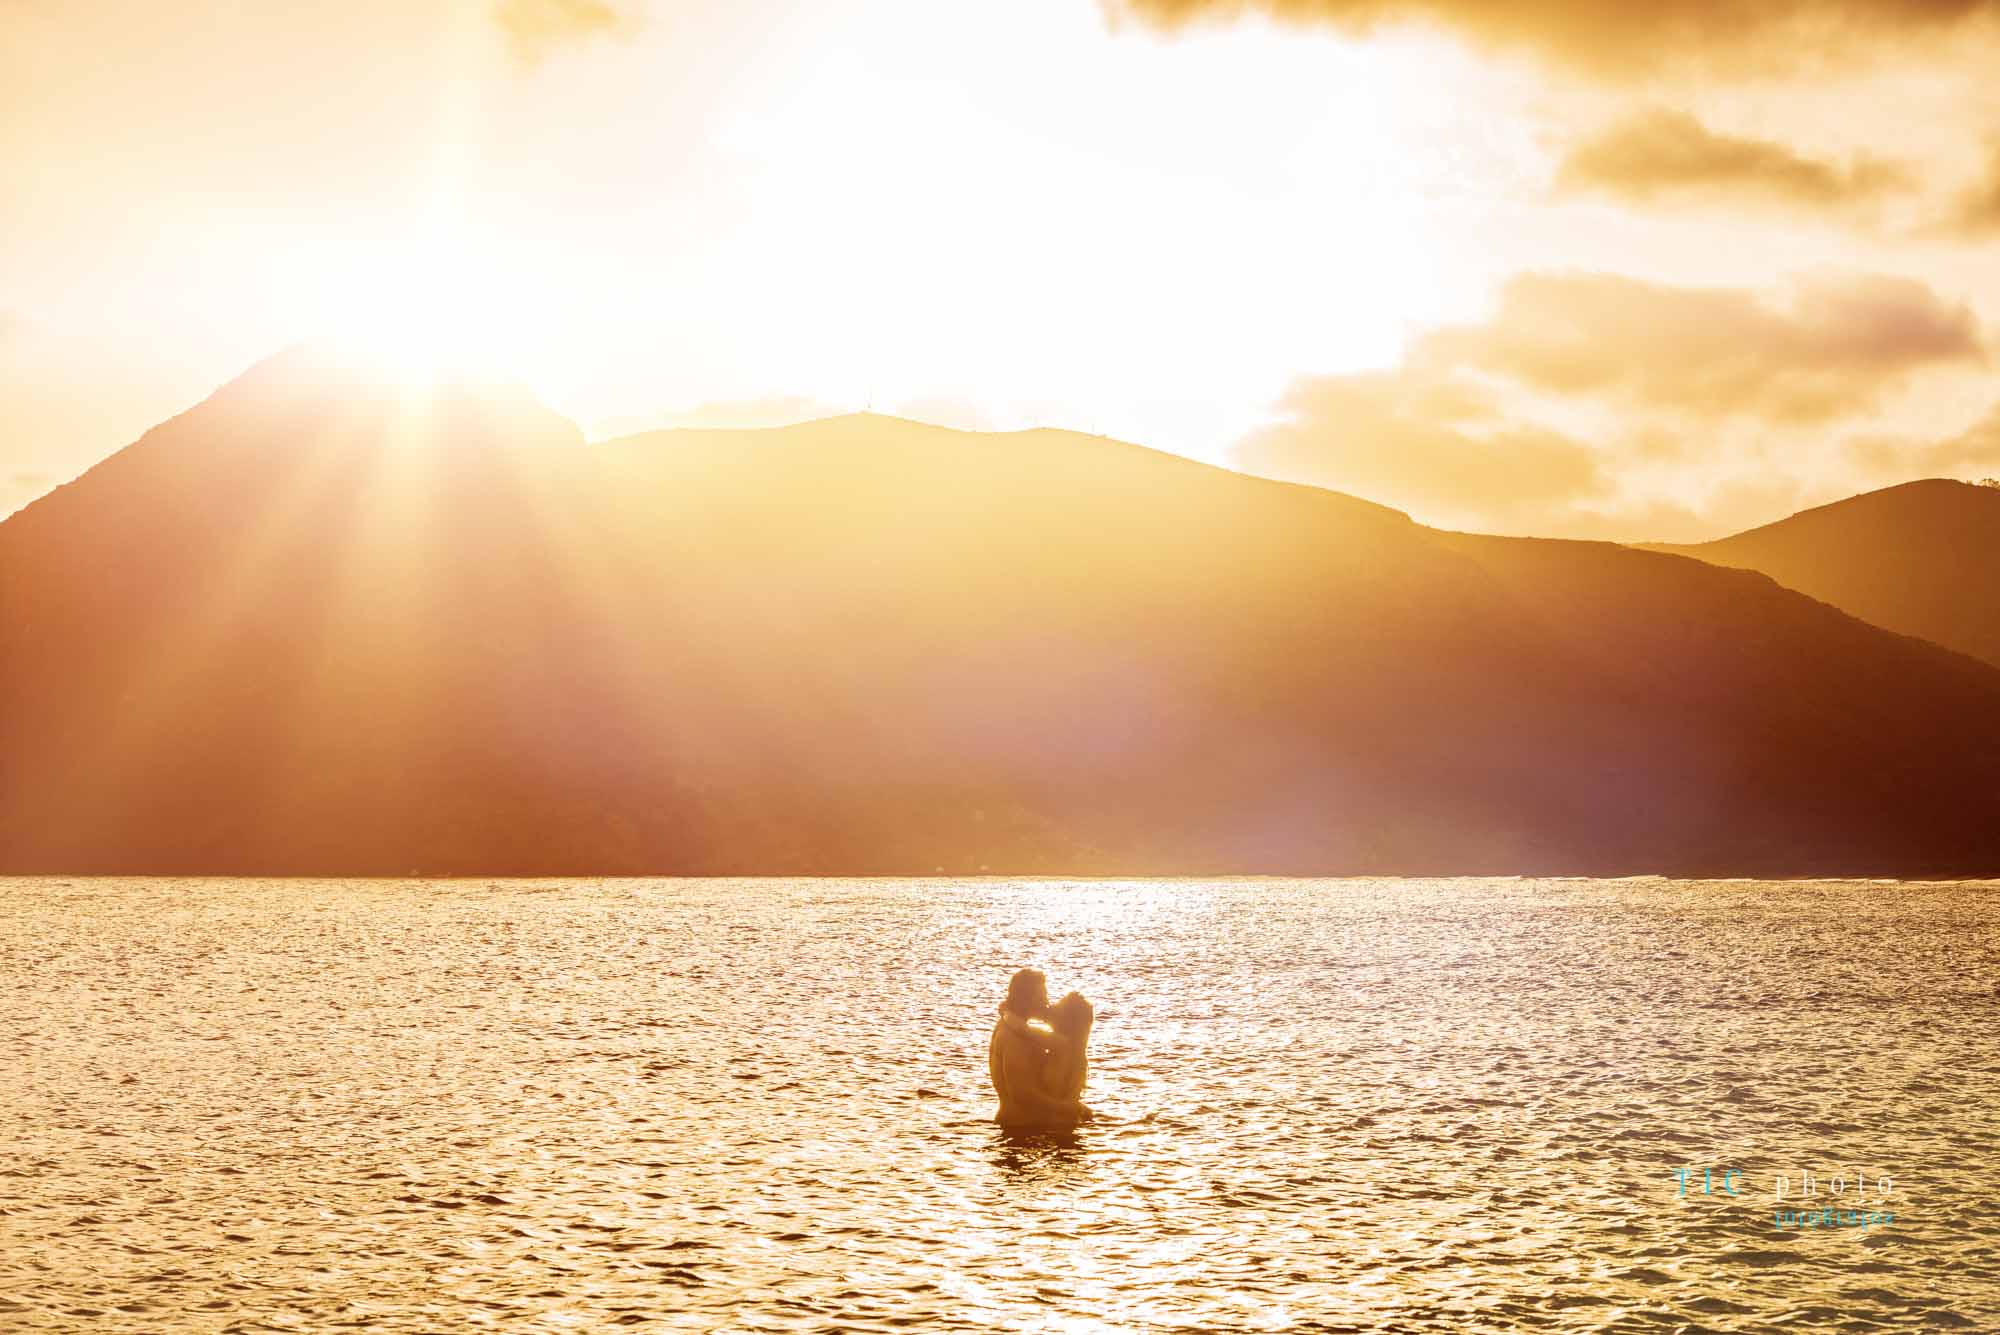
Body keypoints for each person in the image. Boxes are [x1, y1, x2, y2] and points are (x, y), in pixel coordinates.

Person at [988, 967, 1093, 1128]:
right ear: (1027, 999)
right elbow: (1022, 1095)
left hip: (1033, 1129)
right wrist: (1073, 1108)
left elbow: (1024, 1029)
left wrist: (1006, 1013)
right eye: (1042, 996)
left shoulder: (1027, 1034)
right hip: (1019, 1131)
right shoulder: (1014, 1038)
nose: (1047, 1003)